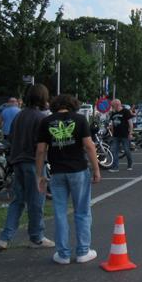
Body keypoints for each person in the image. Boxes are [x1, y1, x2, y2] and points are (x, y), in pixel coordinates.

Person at [35, 94, 101, 265]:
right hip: (78, 170)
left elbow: (41, 150)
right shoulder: (80, 120)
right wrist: (96, 169)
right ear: (73, 105)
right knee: (82, 211)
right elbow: (89, 146)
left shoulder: (46, 122)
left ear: (55, 106)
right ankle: (83, 251)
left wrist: (39, 175)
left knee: (60, 213)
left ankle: (63, 254)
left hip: (57, 172)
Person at [0, 84, 55, 250]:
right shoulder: (41, 118)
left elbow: (11, 137)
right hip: (34, 162)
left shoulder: (19, 116)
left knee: (18, 200)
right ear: (43, 98)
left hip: (18, 161)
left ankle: (5, 237)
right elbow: (42, 145)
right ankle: (36, 237)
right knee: (36, 201)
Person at [108, 99, 134, 172]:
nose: (112, 107)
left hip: (125, 135)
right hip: (116, 135)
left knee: (126, 150)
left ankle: (130, 164)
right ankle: (115, 167)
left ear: (117, 104)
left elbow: (130, 123)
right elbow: (112, 124)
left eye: (113, 105)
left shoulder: (125, 111)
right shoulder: (113, 113)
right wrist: (112, 133)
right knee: (114, 151)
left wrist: (130, 133)